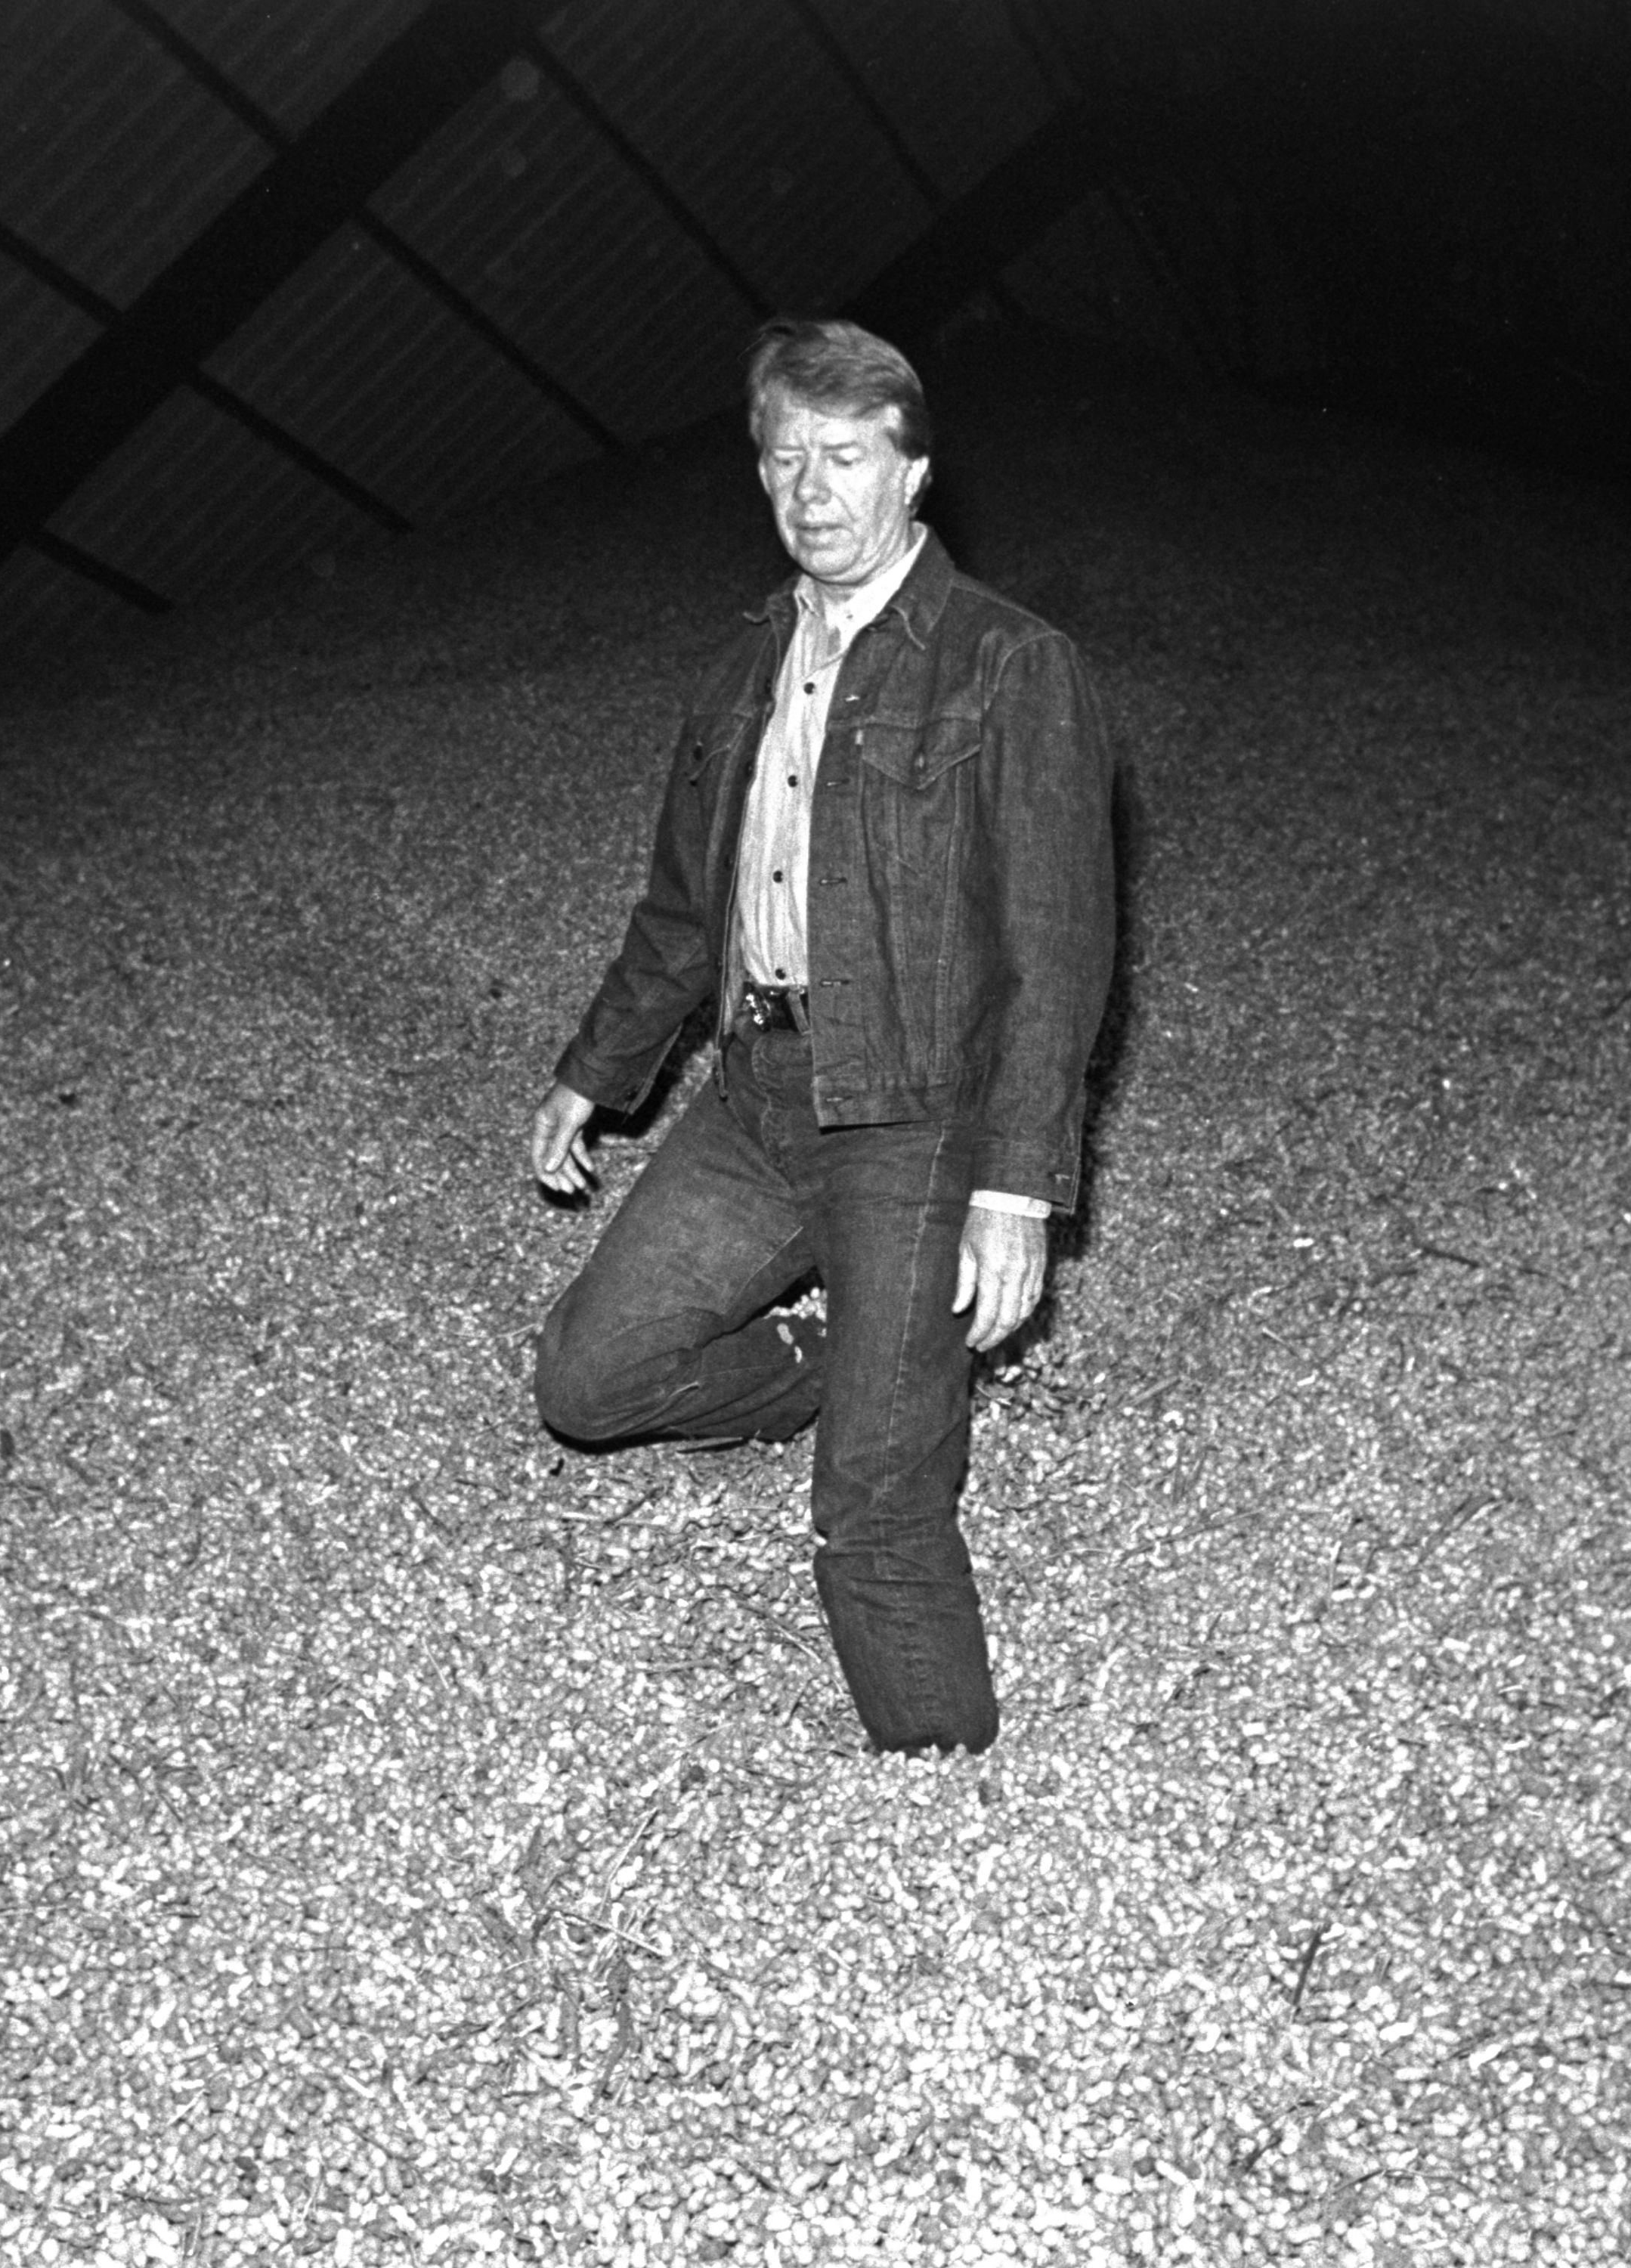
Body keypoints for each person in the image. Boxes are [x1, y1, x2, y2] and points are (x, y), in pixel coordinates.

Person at [529, 317, 1116, 1754]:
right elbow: (684, 907)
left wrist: (1015, 1189)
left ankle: (937, 1773)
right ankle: (815, 1369)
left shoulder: (1008, 667)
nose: (812, 491)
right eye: (784, 459)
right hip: (754, 1099)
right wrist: (591, 1077)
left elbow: (1058, 955)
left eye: (844, 457)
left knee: (876, 1498)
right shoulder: (744, 666)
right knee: (587, 1385)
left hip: (917, 1116)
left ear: (912, 474)